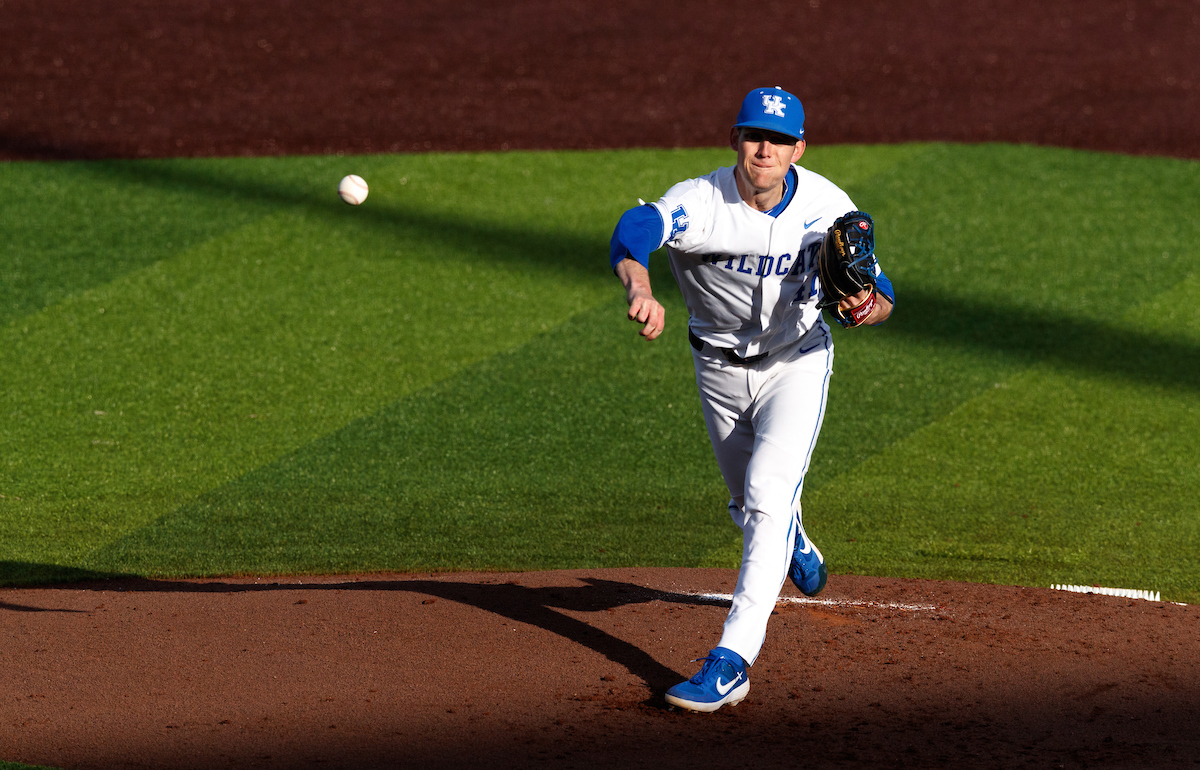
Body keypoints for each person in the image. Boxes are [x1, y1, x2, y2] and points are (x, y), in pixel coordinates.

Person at [608, 86, 894, 712]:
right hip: (716, 369)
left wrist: (864, 304)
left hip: (797, 364)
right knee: (748, 502)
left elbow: (881, 289)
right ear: (736, 140)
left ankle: (732, 659)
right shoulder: (699, 202)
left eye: (778, 140)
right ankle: (792, 537)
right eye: (753, 136)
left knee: (765, 495)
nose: (764, 149)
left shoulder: (826, 207)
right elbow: (632, 232)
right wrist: (642, 285)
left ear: (798, 149)